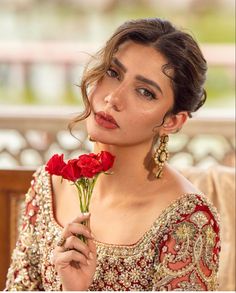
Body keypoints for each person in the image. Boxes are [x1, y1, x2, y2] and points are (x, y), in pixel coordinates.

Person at [5, 18, 220, 291]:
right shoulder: (50, 185)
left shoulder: (188, 222)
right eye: (113, 73)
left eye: (145, 92)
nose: (113, 98)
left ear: (173, 122)